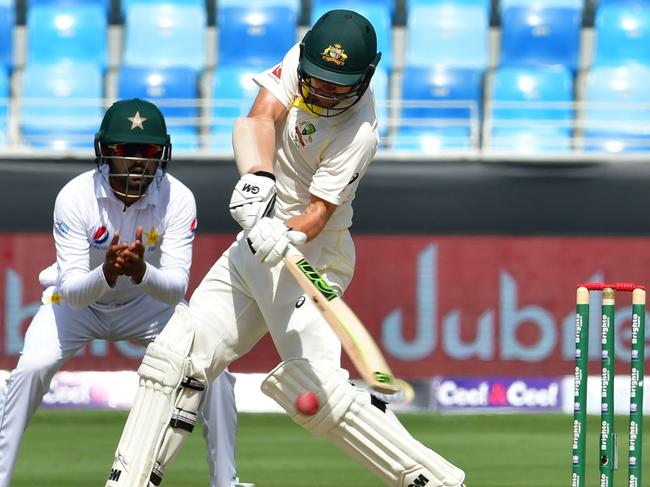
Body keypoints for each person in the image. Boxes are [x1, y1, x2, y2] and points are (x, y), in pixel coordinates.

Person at [105, 11, 466, 487]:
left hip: (310, 256)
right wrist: (257, 181)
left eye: (339, 86)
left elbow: (318, 215)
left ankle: (436, 480)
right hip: (258, 241)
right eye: (318, 80)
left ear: (364, 79)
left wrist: (285, 231)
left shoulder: (359, 132)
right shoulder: (303, 61)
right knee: (177, 354)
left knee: (320, 396)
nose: (323, 92)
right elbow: (260, 118)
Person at [0, 99, 253, 487]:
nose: (139, 162)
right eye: (127, 151)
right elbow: (74, 293)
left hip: (147, 304)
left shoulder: (178, 197)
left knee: (212, 368)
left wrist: (138, 271)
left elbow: (175, 290)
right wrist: (107, 271)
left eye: (149, 152)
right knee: (31, 369)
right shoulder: (74, 196)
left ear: (162, 154)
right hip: (77, 304)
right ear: (107, 152)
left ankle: (226, 482)